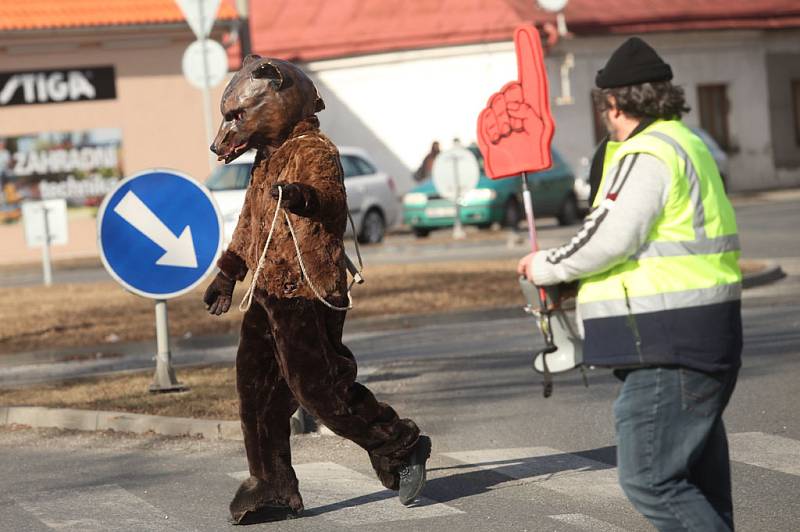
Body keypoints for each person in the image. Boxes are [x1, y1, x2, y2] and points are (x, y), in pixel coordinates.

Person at [517, 37, 742, 532]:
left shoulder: (647, 152)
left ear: (613, 102)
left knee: (650, 479)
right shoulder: (688, 143)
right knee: (698, 484)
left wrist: (546, 266)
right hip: (699, 335)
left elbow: (611, 235)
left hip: (669, 345)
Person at [204, 55, 430, 524]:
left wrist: (301, 197)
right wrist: (228, 272)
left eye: (238, 116)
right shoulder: (266, 159)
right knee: (257, 392)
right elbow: (250, 225)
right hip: (268, 291)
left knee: (320, 390)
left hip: (309, 291)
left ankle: (400, 445)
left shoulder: (316, 149)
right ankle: (270, 485)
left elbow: (332, 203)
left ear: (280, 97)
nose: (229, 132)